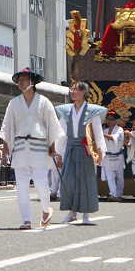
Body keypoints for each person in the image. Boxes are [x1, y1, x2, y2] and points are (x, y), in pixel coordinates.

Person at [0, 67, 65, 229]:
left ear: (32, 82)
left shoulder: (44, 102)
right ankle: (26, 220)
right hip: (20, 147)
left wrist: (53, 146)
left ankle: (45, 210)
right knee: (21, 186)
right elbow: (8, 125)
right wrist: (6, 145)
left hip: (39, 147)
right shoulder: (14, 103)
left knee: (40, 183)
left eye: (24, 79)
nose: (21, 82)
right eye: (19, 79)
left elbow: (51, 125)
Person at [55, 80, 107, 225]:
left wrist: (99, 153)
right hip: (71, 148)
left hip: (86, 149)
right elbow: (62, 134)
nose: (72, 92)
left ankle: (86, 214)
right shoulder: (66, 111)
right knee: (69, 180)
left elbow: (97, 133)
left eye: (75, 89)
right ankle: (71, 211)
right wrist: (60, 154)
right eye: (71, 89)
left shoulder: (92, 112)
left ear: (83, 92)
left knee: (86, 181)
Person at [101, 110, 125, 202]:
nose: (109, 121)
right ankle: (113, 194)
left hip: (118, 157)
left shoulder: (119, 130)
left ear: (115, 121)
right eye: (108, 119)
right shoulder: (106, 131)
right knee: (110, 176)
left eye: (111, 119)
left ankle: (119, 194)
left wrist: (102, 134)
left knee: (119, 177)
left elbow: (113, 138)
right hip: (108, 156)